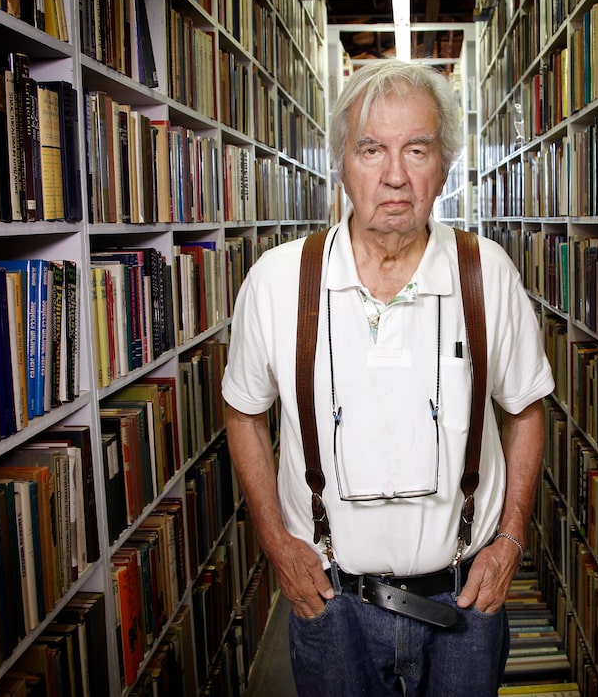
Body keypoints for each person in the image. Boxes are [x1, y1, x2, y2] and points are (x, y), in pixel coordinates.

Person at [222, 58, 555, 696]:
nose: (395, 175)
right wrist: (274, 541)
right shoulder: (277, 279)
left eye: (418, 149)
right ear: (342, 161)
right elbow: (243, 412)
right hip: (330, 603)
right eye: (372, 148)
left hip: (465, 603)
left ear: (446, 165)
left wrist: (511, 536)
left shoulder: (486, 274)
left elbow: (526, 408)